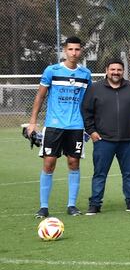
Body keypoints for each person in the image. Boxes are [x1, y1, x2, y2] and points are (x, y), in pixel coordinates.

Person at [27, 36, 91, 219]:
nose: (74, 53)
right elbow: (39, 97)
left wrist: (88, 126)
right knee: (49, 163)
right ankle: (44, 207)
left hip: (76, 125)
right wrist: (33, 121)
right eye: (70, 49)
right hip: (54, 125)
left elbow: (87, 102)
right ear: (65, 50)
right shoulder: (51, 71)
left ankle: (71, 205)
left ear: (81, 51)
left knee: (74, 163)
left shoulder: (85, 74)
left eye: (77, 49)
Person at [81, 58, 130, 214]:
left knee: (129, 173)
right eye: (113, 69)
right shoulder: (95, 89)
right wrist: (91, 131)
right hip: (103, 140)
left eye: (119, 70)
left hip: (127, 140)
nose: (116, 72)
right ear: (107, 70)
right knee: (99, 174)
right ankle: (95, 204)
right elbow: (86, 111)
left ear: (123, 71)